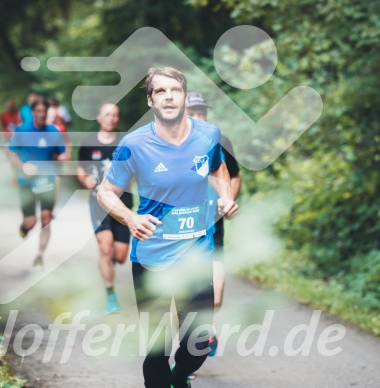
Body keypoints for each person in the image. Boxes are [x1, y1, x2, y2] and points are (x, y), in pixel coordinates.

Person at [98, 67, 238, 388]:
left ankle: (179, 379)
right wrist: (130, 218)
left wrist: (226, 197)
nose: (169, 96)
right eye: (160, 91)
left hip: (197, 256)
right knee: (157, 348)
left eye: (175, 90)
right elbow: (105, 191)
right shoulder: (134, 144)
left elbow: (218, 169)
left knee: (199, 340)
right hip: (152, 258)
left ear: (185, 97)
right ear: (151, 100)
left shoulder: (208, 135)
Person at [185, 92, 242, 378]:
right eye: (191, 112)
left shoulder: (220, 141)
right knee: (183, 297)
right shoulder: (174, 144)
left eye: (200, 112)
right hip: (180, 233)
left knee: (215, 294)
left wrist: (227, 199)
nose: (197, 117)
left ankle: (207, 329)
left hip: (212, 228)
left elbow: (234, 175)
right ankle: (188, 351)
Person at [77, 102, 133, 314]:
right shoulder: (89, 143)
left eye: (115, 115)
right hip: (98, 202)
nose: (111, 118)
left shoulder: (125, 143)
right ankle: (111, 296)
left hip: (123, 204)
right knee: (105, 245)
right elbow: (81, 170)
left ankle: (107, 261)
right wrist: (85, 182)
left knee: (119, 256)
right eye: (107, 114)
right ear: (99, 118)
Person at [8, 99, 70, 267]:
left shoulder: (54, 131)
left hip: (46, 181)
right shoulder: (22, 130)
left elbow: (61, 153)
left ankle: (40, 256)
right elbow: (11, 153)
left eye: (44, 111)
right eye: (38, 111)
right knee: (31, 222)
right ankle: (24, 227)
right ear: (33, 112)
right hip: (26, 182)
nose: (42, 114)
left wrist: (64, 157)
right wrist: (23, 168)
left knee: (46, 219)